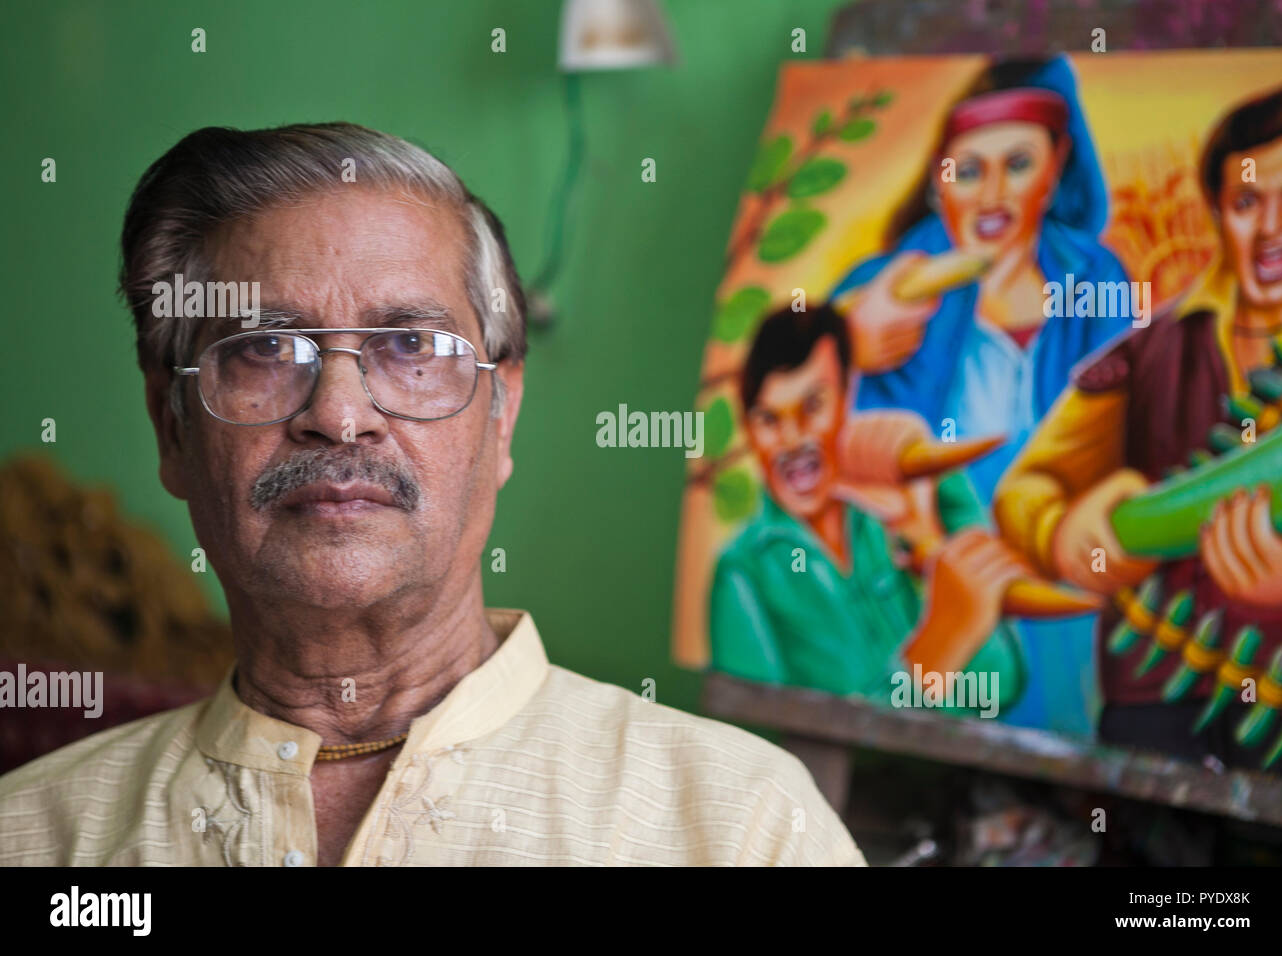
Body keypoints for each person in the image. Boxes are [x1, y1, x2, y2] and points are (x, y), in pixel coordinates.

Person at [0, 123, 865, 866]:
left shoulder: (738, 826)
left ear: (501, 417)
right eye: (265, 348)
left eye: (410, 344)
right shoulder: (39, 838)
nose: (339, 416)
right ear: (171, 426)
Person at [992, 84, 1282, 772]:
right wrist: (1067, 535)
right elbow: (1028, 487)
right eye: (1248, 202)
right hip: (1157, 710)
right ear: (1220, 213)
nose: (1273, 228)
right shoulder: (1150, 352)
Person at [830, 56, 1131, 503]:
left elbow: (1128, 427)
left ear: (1056, 166)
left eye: (1018, 165)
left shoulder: (1097, 278)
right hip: (927, 552)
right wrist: (845, 346)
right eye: (969, 172)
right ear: (940, 178)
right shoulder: (881, 287)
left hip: (1060, 545)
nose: (992, 196)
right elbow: (785, 391)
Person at [710, 304, 1027, 711]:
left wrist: (932, 534)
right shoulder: (744, 572)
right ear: (749, 429)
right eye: (769, 419)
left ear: (848, 395)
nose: (792, 440)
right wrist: (938, 645)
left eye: (812, 407)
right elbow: (762, 740)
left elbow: (999, 687)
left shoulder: (893, 523)